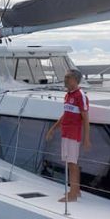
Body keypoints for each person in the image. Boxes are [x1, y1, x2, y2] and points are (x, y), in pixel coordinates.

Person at [46, 69, 91, 202]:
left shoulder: (80, 95)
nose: (65, 80)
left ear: (75, 80)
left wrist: (86, 138)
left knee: (72, 163)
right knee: (69, 162)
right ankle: (76, 191)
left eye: (68, 78)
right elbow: (65, 114)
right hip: (65, 133)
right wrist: (53, 129)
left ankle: (72, 194)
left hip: (73, 134)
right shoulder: (67, 95)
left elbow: (86, 118)